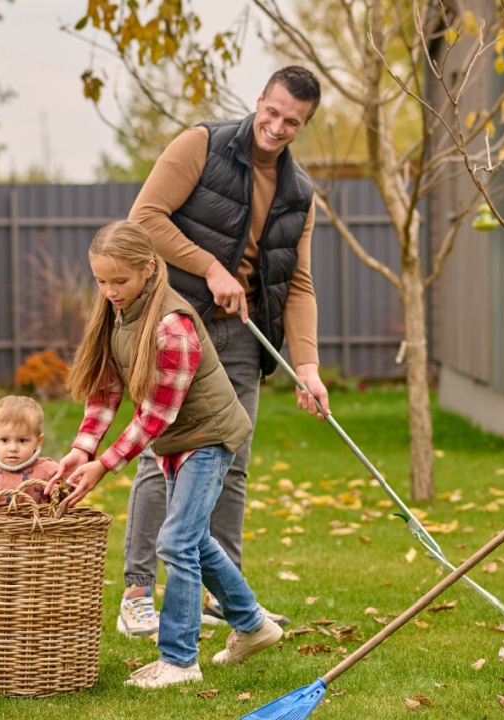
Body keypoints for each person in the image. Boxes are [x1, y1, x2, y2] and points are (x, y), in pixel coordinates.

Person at [116, 64, 331, 635]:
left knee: (230, 464)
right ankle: (138, 591)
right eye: (273, 112)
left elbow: (299, 283)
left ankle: (225, 597)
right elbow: (145, 220)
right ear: (259, 100)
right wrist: (211, 268)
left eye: (292, 121)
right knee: (163, 453)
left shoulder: (300, 193)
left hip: (242, 334)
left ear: (303, 125)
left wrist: (307, 367)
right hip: (179, 325)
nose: (278, 126)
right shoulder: (202, 144)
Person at [46, 220, 282, 688]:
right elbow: (105, 389)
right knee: (192, 540)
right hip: (179, 440)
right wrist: (81, 449)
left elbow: (154, 416)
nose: (110, 291)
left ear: (149, 270)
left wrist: (104, 466)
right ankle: (253, 625)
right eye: (101, 281)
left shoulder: (171, 325)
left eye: (121, 281)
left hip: (208, 437)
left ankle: (178, 661)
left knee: (175, 542)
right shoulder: (119, 315)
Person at [0, 396, 59, 505]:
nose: (13, 448)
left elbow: (67, 504)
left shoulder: (49, 471)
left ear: (38, 442)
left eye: (22, 441)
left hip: (40, 522)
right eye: (4, 440)